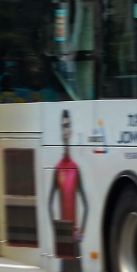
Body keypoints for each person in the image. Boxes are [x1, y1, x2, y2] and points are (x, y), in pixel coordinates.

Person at [45, 109, 89, 260]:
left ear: (71, 131)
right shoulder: (58, 169)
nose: (65, 130)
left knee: (75, 265)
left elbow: (86, 204)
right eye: (63, 126)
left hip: (75, 237)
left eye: (68, 126)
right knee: (65, 264)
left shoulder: (75, 168)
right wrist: (56, 229)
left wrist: (81, 231)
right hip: (62, 237)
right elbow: (49, 202)